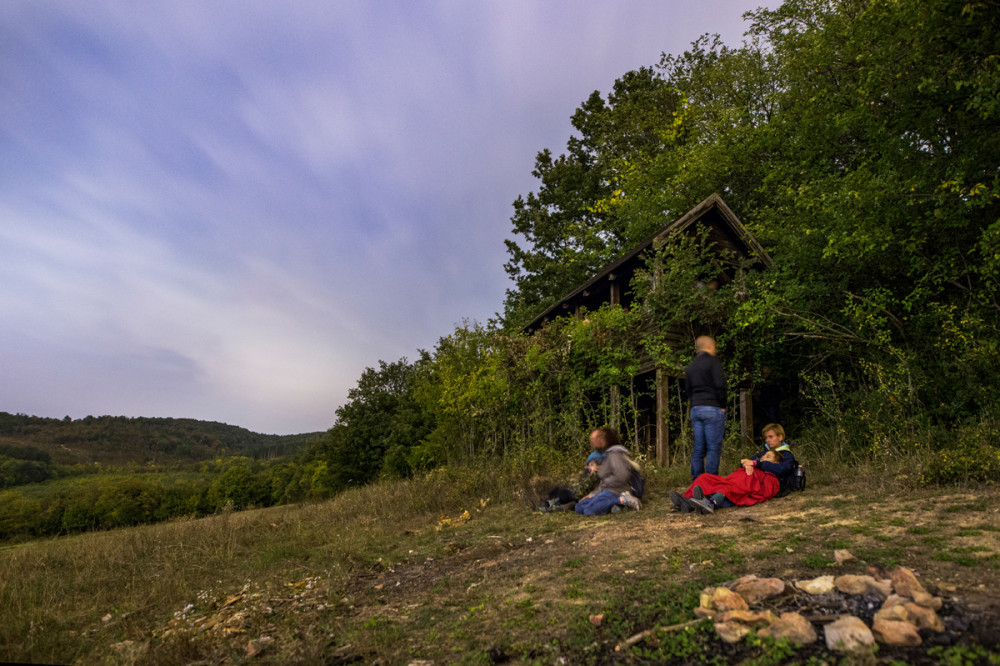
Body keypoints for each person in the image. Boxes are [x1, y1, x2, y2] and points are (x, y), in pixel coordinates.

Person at [669, 423, 796, 513]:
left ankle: (709, 503)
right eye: (766, 437)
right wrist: (746, 463)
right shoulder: (763, 453)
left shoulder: (787, 455)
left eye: (771, 437)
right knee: (705, 477)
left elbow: (783, 469)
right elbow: (747, 461)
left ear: (780, 437)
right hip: (743, 479)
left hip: (760, 484)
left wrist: (757, 464)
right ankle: (686, 500)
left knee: (729, 487)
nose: (768, 440)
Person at [575, 427, 642, 515]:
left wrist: (606, 483)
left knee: (589, 510)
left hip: (616, 491)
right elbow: (603, 481)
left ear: (607, 439)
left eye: (601, 437)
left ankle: (624, 500)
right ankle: (615, 506)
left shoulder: (615, 454)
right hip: (605, 491)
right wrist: (594, 493)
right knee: (579, 506)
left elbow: (622, 476)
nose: (597, 441)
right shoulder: (607, 454)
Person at [686, 335, 726, 478]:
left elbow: (688, 389)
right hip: (712, 407)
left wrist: (694, 404)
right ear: (709, 346)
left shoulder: (691, 365)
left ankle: (697, 481)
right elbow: (720, 384)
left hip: (696, 408)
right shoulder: (713, 362)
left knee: (698, 449)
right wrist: (722, 405)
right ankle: (710, 481)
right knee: (713, 447)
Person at [539, 431, 608, 512]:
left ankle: (553, 504)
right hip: (579, 488)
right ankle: (550, 503)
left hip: (580, 491)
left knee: (566, 493)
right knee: (562, 490)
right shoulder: (596, 456)